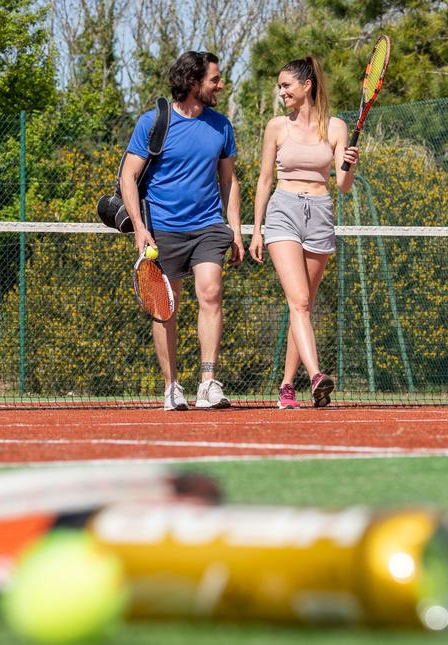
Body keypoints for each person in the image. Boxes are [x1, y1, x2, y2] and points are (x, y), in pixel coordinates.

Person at [120, 50, 244, 411]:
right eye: (215, 80)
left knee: (211, 292)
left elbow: (229, 180)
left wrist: (235, 229)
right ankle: (172, 386)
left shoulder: (221, 125)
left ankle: (207, 383)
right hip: (162, 230)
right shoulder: (153, 122)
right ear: (193, 83)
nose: (220, 85)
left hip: (207, 226)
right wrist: (140, 229)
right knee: (165, 309)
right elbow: (128, 176)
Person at [248, 55, 359, 409]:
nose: (281, 92)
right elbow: (265, 179)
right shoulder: (276, 127)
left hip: (321, 213)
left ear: (306, 86)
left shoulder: (337, 127)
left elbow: (342, 186)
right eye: (280, 86)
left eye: (286, 86)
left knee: (304, 307)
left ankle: (286, 387)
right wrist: (256, 230)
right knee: (298, 302)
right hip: (283, 213)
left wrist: (349, 165)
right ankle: (316, 376)